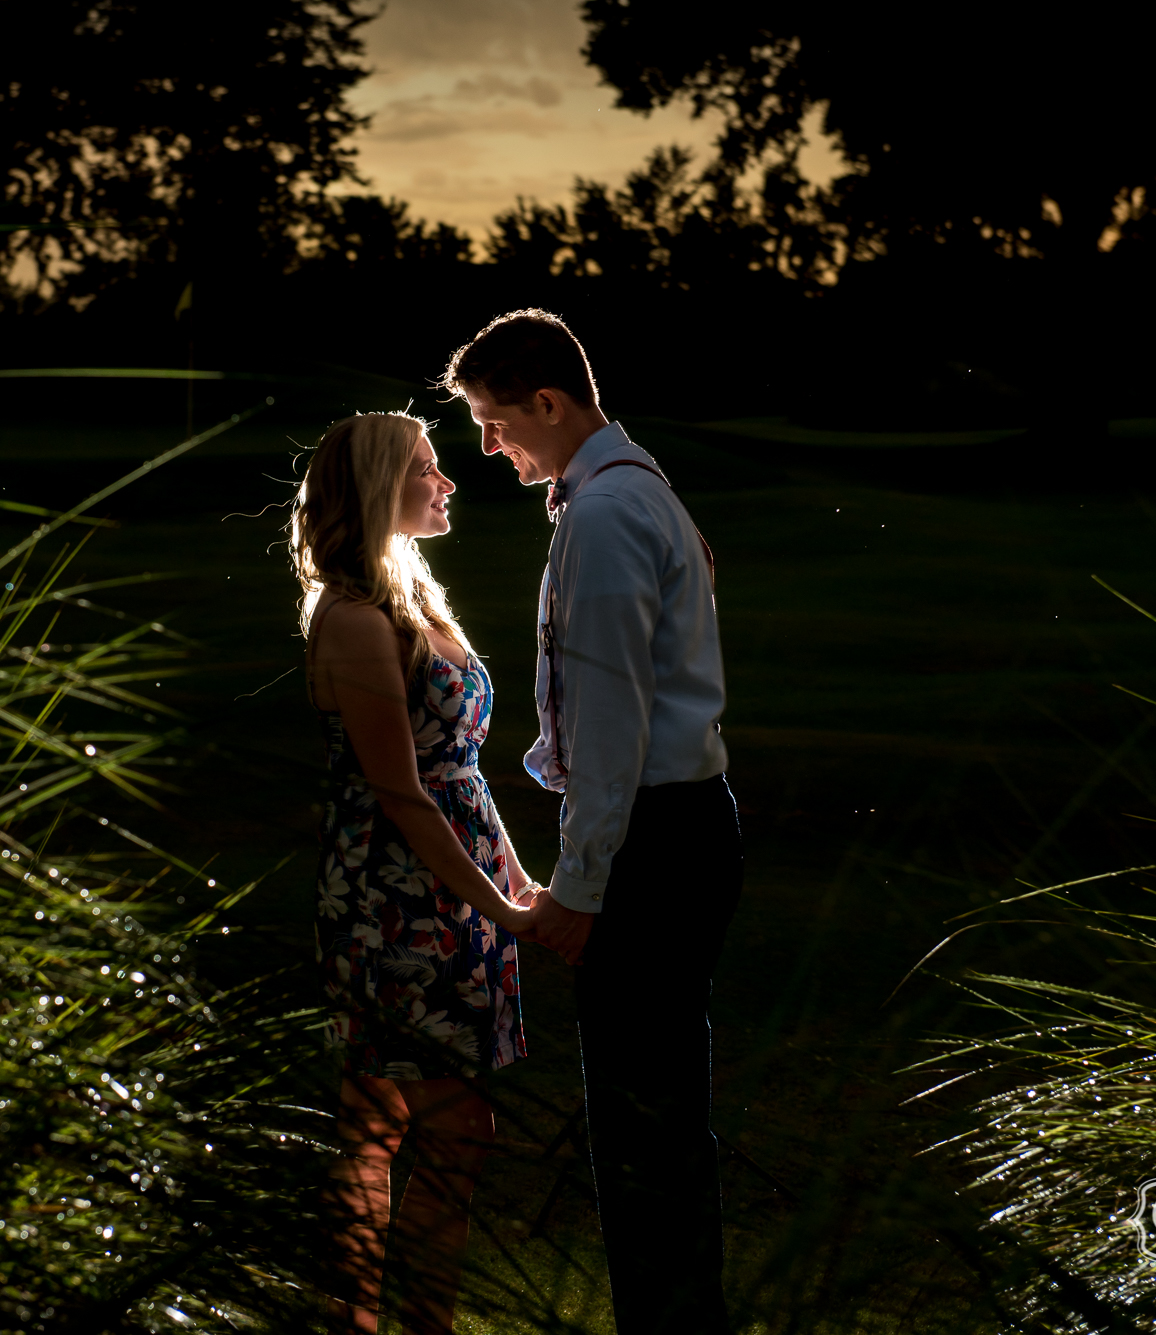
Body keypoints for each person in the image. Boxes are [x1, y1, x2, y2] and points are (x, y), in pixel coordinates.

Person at [440, 309, 744, 1335]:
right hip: (676, 826)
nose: (486, 446)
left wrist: (577, 887)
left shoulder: (610, 515)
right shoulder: (626, 491)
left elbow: (612, 721)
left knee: (641, 1121)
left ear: (548, 403)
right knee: (651, 1113)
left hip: (655, 839)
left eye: (492, 420)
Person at [288, 410, 548, 1335]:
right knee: (424, 1124)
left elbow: (464, 773)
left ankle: (370, 1319)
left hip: (457, 883)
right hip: (396, 901)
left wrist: (517, 885)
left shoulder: (417, 596)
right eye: (426, 471)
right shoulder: (354, 616)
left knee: (391, 1117)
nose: (446, 483)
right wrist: (498, 909)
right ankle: (394, 1321)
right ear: (374, 491)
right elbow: (401, 792)